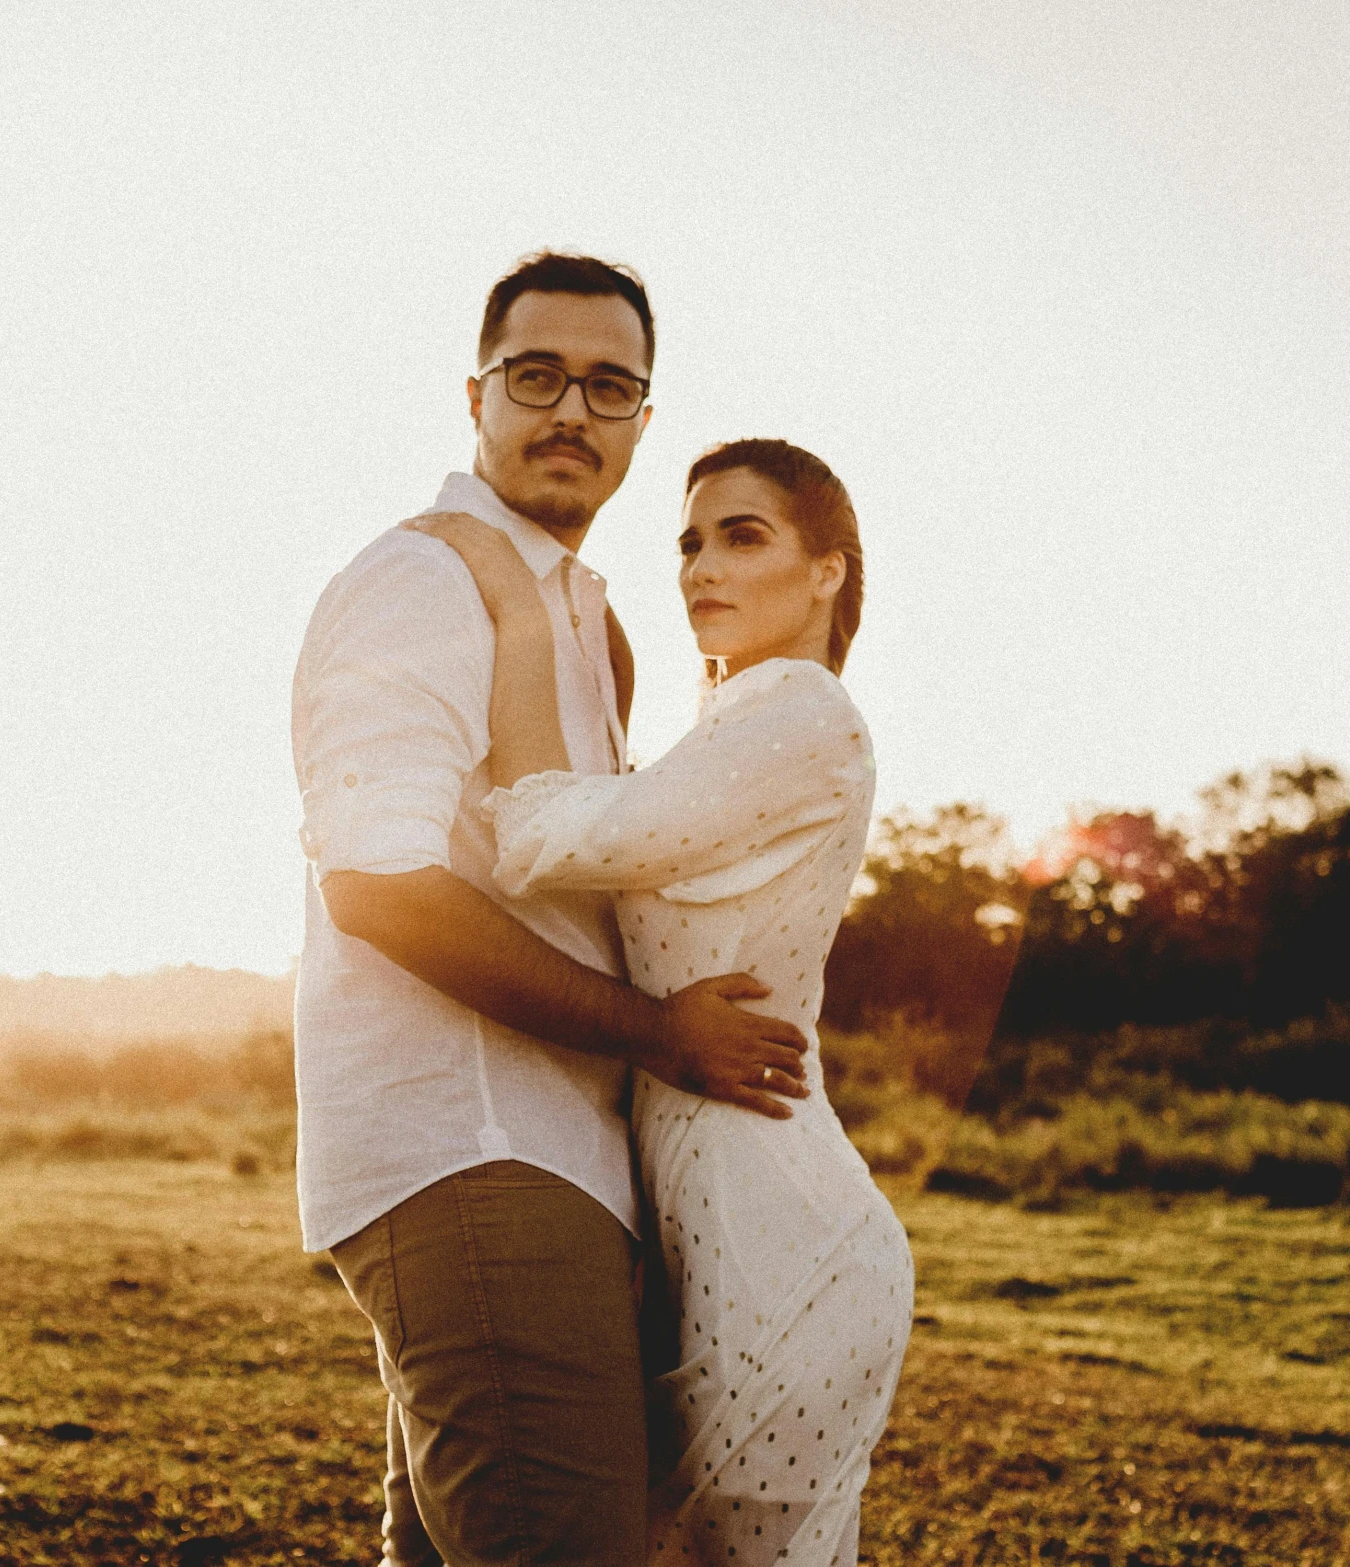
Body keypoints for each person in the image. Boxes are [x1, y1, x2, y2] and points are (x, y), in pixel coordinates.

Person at [290, 253, 814, 1567]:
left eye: (608, 384)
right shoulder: (421, 582)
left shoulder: (583, 619)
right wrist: (654, 1027)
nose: (570, 411)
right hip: (474, 1150)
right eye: (536, 376)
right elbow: (378, 884)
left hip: (554, 1164)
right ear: (475, 394)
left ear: (644, 418)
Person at [411, 438, 912, 1566]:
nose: (699, 567)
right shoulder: (734, 726)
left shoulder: (804, 708)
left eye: (742, 536)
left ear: (828, 570)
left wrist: (511, 596)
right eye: (688, 542)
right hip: (702, 1216)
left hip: (778, 1231)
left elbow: (545, 830)